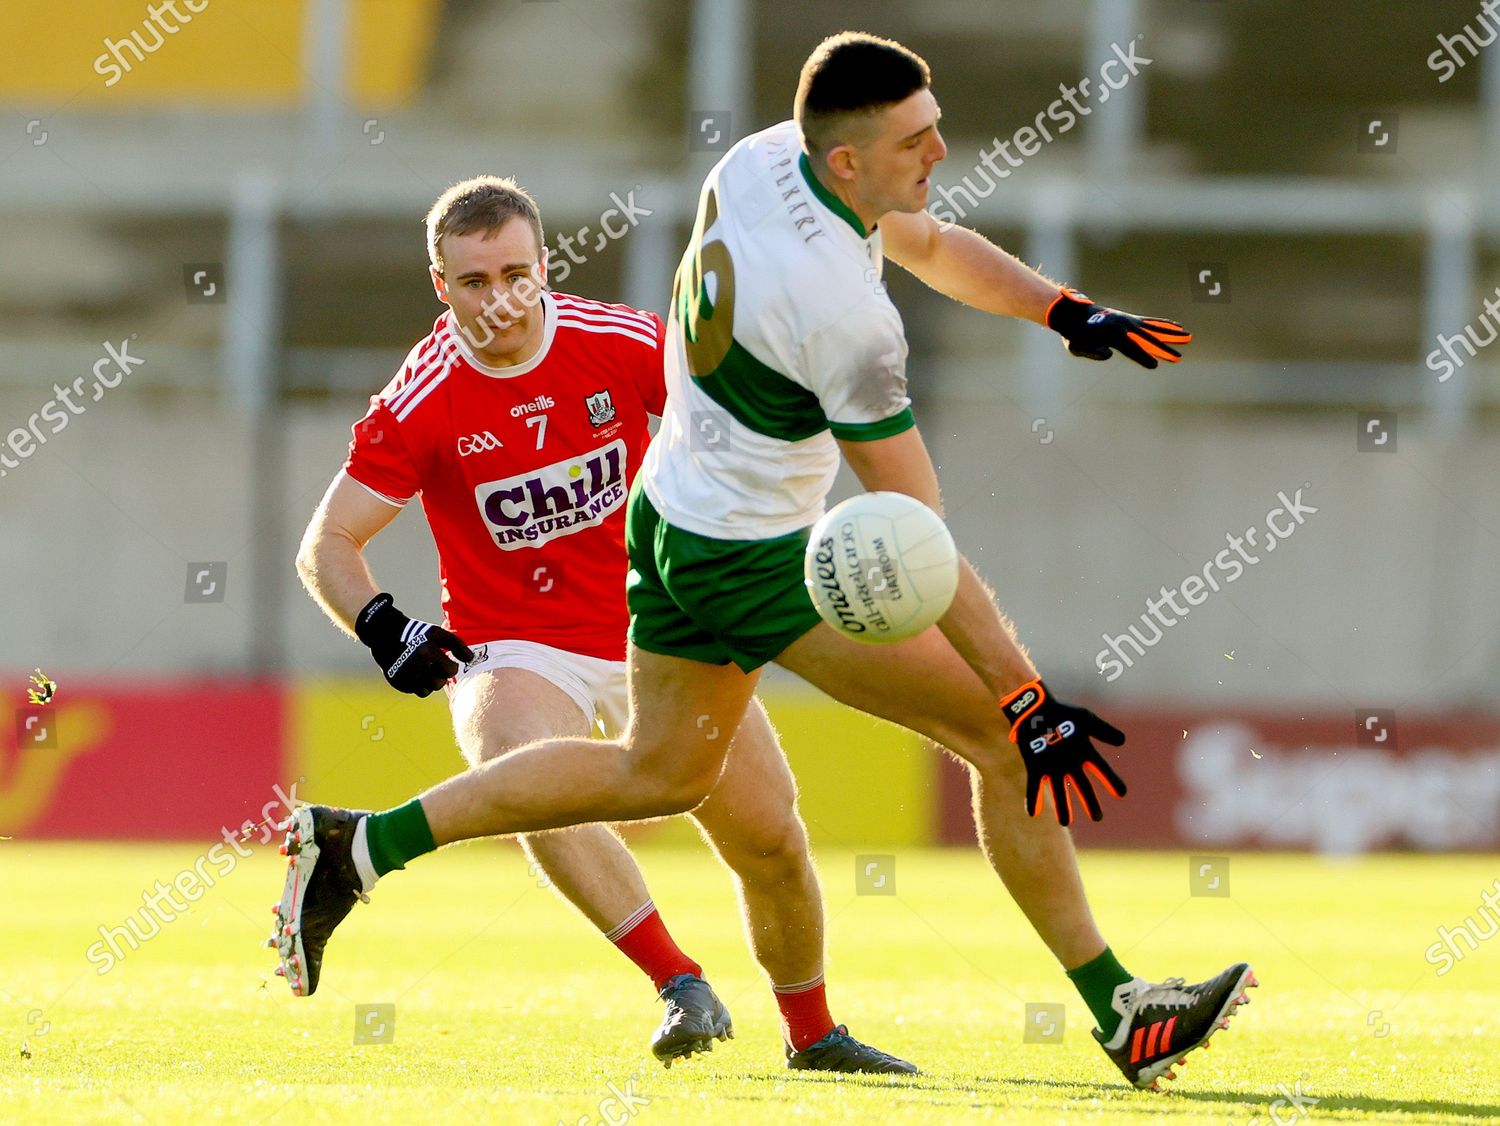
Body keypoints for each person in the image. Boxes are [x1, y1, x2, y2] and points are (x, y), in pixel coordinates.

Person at [275, 33, 1254, 1091]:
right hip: (751, 560)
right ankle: (1119, 1008)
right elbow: (919, 542)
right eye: (917, 139)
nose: (939, 149)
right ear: (849, 158)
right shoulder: (846, 326)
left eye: (933, 127)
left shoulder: (759, 161)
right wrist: (1027, 697)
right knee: (1004, 740)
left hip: (670, 522)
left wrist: (1057, 309)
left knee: (662, 776)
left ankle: (361, 846)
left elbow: (925, 241)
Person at [273, 174, 914, 1073]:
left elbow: (732, 424)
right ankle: (679, 982)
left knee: (770, 836)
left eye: (514, 274)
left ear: (544, 266)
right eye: (474, 282)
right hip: (514, 644)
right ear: (440, 286)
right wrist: (385, 626)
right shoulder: (420, 397)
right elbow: (328, 542)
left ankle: (814, 1036)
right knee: (517, 767)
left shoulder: (619, 341)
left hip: (659, 617)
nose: (499, 300)